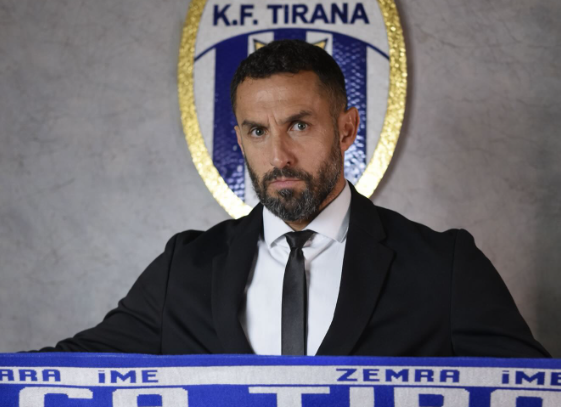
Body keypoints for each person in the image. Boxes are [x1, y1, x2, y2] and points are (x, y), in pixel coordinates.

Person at [39, 40, 549, 357]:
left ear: (346, 129)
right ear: (239, 140)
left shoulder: (445, 267)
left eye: (299, 125)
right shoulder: (184, 269)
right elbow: (66, 372)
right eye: (257, 131)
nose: (278, 155)